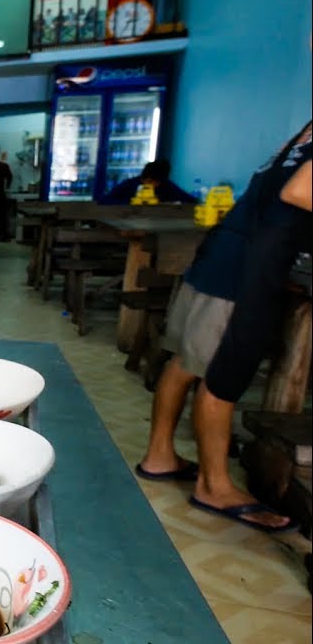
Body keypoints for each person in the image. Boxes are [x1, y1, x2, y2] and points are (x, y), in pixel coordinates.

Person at [136, 121, 312, 533]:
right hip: (246, 266)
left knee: (185, 361)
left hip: (222, 253)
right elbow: (300, 193)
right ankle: (214, 485)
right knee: (222, 376)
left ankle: (159, 456)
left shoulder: (303, 133)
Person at [99, 158, 196, 205]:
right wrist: (130, 203)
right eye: (148, 181)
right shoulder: (129, 185)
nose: (151, 185)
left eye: (155, 182)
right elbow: (104, 201)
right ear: (143, 178)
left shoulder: (166, 186)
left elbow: (190, 200)